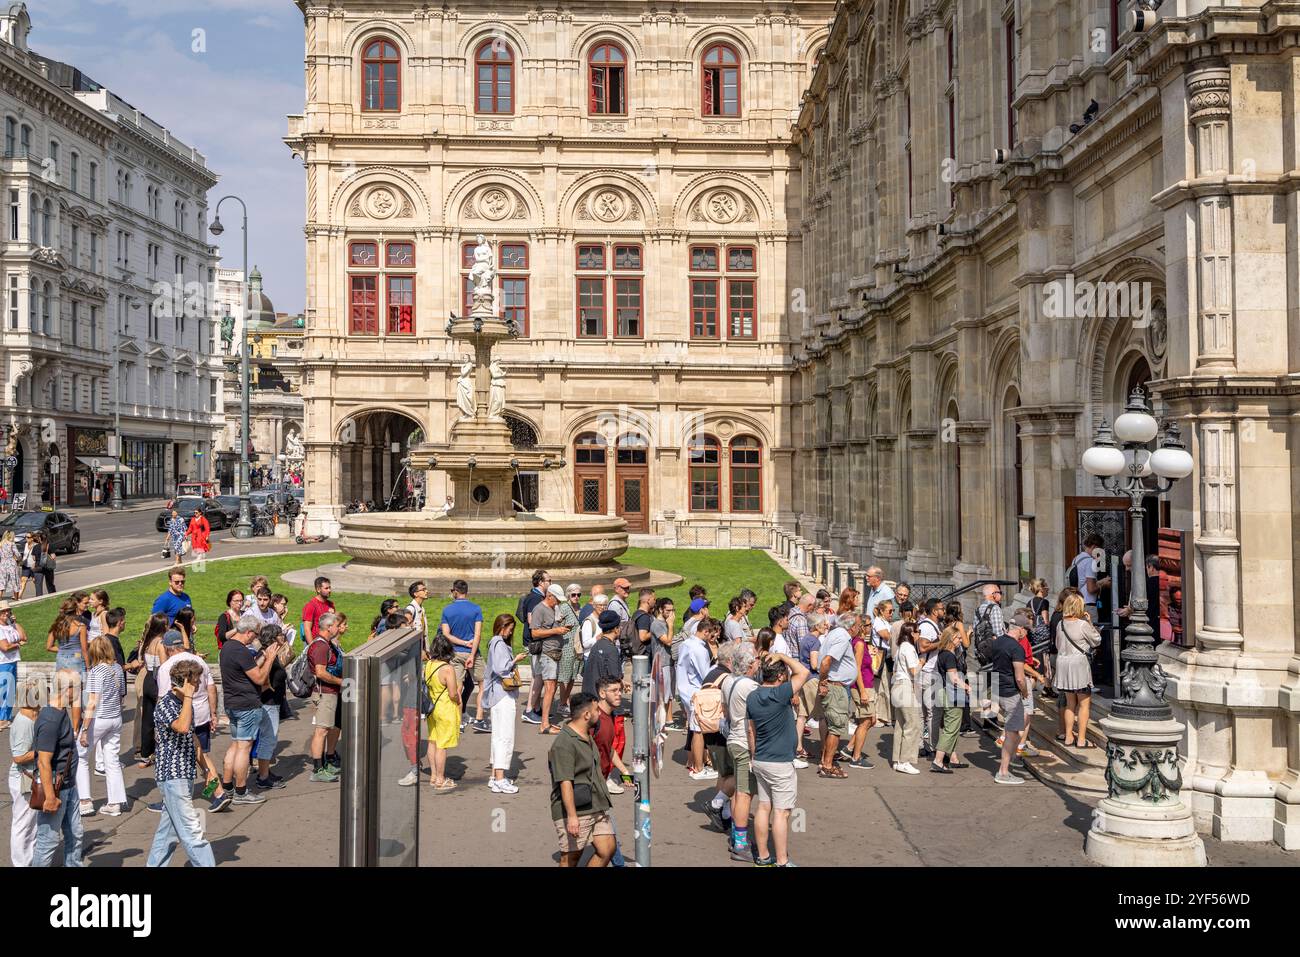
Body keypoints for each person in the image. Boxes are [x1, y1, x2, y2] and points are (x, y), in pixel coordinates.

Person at [146, 659, 216, 867]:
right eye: (197, 681)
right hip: (172, 776)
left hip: (184, 774)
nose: (200, 684)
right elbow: (183, 727)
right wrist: (188, 696)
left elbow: (192, 738)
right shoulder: (166, 704)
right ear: (186, 683)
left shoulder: (186, 703)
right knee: (192, 831)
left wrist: (206, 768)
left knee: (167, 834)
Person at [746, 651, 810, 867]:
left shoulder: (753, 696)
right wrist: (783, 656)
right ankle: (782, 861)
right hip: (780, 762)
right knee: (781, 813)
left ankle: (763, 856)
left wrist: (754, 756)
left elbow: (751, 730)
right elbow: (804, 672)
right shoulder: (781, 693)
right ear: (781, 676)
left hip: (761, 759)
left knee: (764, 807)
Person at [156, 628, 229, 811]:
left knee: (174, 760)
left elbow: (165, 697)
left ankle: (169, 801)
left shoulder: (167, 668)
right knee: (203, 758)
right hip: (201, 715)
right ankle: (218, 792)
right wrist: (214, 713)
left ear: (166, 647)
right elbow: (211, 688)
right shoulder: (198, 661)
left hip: (180, 718)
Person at [549, 692, 615, 867]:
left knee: (607, 848)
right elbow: (565, 782)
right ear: (586, 715)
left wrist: (625, 774)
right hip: (576, 809)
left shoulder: (586, 735)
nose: (599, 713)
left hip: (596, 804)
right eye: (596, 710)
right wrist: (572, 817)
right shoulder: (564, 743)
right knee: (571, 859)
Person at [219, 617, 277, 803]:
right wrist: (270, 659)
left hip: (232, 703)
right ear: (249, 632)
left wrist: (260, 658)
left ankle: (227, 786)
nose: (256, 638)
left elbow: (246, 668)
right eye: (256, 634)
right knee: (244, 747)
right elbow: (259, 678)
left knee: (235, 745)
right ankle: (241, 791)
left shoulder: (227, 647)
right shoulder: (240, 650)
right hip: (247, 705)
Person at [32, 678, 83, 867]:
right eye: (78, 687)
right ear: (67, 690)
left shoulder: (61, 712)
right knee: (48, 841)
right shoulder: (50, 720)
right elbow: (44, 762)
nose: (81, 692)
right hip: (55, 788)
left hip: (68, 785)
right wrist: (50, 797)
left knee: (75, 833)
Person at [74, 637, 127, 817]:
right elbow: (121, 695)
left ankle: (85, 801)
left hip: (100, 718)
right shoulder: (118, 668)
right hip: (115, 718)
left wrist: (85, 729)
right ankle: (115, 802)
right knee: (111, 761)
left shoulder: (97, 672)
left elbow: (92, 703)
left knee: (81, 755)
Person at [722, 640, 761, 861]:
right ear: (748, 664)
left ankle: (739, 837)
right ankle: (740, 842)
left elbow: (726, 711)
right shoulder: (750, 687)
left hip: (733, 740)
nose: (758, 662)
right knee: (745, 794)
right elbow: (752, 726)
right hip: (745, 744)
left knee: (739, 791)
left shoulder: (728, 681)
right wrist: (756, 755)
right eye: (755, 659)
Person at [482, 614, 529, 793]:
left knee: (498, 737)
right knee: (505, 737)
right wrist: (515, 660)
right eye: (510, 628)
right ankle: (500, 779)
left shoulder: (495, 642)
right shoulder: (499, 643)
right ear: (503, 626)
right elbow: (501, 668)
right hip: (503, 695)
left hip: (497, 695)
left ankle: (495, 776)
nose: (511, 632)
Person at [591, 675, 631, 866]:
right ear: (601, 693)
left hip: (597, 787)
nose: (619, 694)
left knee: (605, 843)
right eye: (614, 691)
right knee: (608, 841)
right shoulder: (593, 718)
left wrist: (625, 772)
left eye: (620, 690)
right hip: (590, 788)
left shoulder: (610, 717)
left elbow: (609, 748)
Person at [815, 610, 858, 779]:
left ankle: (826, 761)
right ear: (852, 627)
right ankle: (827, 765)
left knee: (832, 725)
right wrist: (824, 681)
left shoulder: (835, 634)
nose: (859, 629)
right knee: (836, 727)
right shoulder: (842, 636)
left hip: (834, 686)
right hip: (836, 688)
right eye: (858, 626)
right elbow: (826, 661)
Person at [1055, 593, 1102, 748]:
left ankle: (1068, 736)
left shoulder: (1060, 624)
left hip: (1063, 665)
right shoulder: (1082, 625)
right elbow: (1096, 640)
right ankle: (1081, 739)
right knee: (1083, 703)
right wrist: (1089, 622)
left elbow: (1057, 645)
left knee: (1070, 703)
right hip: (1078, 666)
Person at [991, 611, 1032, 785]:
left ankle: (1006, 766)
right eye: (1027, 630)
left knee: (1012, 730)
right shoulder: (1017, 648)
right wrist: (1024, 691)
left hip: (997, 688)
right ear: (1021, 629)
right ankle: (1003, 771)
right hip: (1010, 692)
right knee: (1013, 733)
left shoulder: (998, 641)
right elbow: (1020, 677)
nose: (1027, 634)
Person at [675, 610, 716, 780]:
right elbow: (706, 673)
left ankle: (693, 762)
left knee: (694, 729)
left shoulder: (687, 644)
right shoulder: (699, 649)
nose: (711, 638)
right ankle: (698, 768)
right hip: (696, 691)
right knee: (698, 730)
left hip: (686, 690)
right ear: (705, 631)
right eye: (711, 635)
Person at [440, 579, 485, 729]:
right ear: (466, 591)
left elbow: (446, 634)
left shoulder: (447, 610)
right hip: (473, 652)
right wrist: (472, 654)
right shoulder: (476, 609)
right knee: (482, 684)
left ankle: (458, 721)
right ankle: (479, 717)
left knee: (457, 687)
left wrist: (462, 643)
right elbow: (477, 634)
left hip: (455, 653)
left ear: (455, 591)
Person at [306, 612, 345, 781]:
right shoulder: (321, 646)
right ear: (329, 627)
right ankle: (317, 770)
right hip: (325, 694)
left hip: (330, 693)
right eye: (336, 625)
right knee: (321, 731)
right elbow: (321, 673)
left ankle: (325, 763)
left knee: (327, 728)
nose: (338, 628)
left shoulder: (325, 644)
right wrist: (340, 681)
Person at [8, 675, 42, 866]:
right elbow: (19, 757)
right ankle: (21, 862)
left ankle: (30, 859)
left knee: (32, 823)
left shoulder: (33, 716)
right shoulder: (23, 722)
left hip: (30, 776)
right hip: (23, 778)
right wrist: (43, 750)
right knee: (23, 823)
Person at [529, 583, 569, 734]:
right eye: (556, 599)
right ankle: (544, 724)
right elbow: (534, 633)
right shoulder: (539, 609)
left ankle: (546, 722)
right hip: (547, 652)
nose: (558, 602)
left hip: (554, 651)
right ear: (549, 596)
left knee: (552, 687)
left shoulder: (554, 608)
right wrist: (556, 630)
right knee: (550, 687)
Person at [253, 624, 289, 790]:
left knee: (269, 738)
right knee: (269, 739)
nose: (284, 636)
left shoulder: (271, 653)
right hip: (268, 703)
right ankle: (263, 777)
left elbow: (290, 655)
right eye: (281, 634)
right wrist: (268, 686)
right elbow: (258, 676)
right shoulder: (265, 655)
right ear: (274, 638)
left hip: (272, 702)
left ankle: (265, 771)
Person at [46, 594, 90, 730]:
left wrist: (62, 650)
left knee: (60, 695)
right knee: (76, 698)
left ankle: (58, 726)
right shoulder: (80, 626)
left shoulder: (56, 625)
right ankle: (76, 729)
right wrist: (88, 667)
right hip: (76, 661)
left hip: (61, 660)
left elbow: (48, 646)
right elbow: (84, 649)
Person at [931, 626, 971, 773]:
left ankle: (953, 758)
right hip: (952, 695)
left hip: (945, 693)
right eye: (958, 638)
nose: (961, 640)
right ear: (951, 639)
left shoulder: (942, 653)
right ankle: (938, 760)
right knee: (951, 728)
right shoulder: (949, 656)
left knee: (951, 727)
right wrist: (967, 687)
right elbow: (954, 678)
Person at [131, 612, 169, 768]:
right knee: (162, 719)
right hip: (157, 682)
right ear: (163, 626)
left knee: (147, 719)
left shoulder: (148, 641)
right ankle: (163, 752)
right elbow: (164, 666)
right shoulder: (160, 643)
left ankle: (145, 755)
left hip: (147, 679)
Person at [424, 633, 461, 791]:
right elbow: (453, 693)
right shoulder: (447, 669)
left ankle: (433, 776)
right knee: (442, 745)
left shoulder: (429, 665)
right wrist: (459, 698)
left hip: (432, 708)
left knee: (432, 741)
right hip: (445, 709)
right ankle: (440, 779)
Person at [517, 569, 551, 719]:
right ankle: (530, 710)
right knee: (538, 676)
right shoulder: (535, 599)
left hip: (535, 641)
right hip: (534, 643)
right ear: (541, 582)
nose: (550, 583)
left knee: (537, 675)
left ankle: (536, 707)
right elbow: (532, 620)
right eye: (549, 580)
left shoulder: (537, 597)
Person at [890, 621, 922, 774]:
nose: (919, 634)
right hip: (904, 686)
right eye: (918, 631)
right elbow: (914, 671)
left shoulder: (900, 648)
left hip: (897, 685)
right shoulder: (908, 648)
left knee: (901, 725)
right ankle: (905, 760)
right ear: (911, 633)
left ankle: (897, 759)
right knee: (913, 724)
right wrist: (922, 661)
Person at [845, 612, 876, 769]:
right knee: (866, 721)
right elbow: (856, 668)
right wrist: (862, 691)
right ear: (863, 627)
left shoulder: (862, 643)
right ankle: (855, 758)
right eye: (869, 624)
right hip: (861, 686)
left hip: (867, 684)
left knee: (871, 720)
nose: (871, 627)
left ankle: (849, 748)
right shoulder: (859, 644)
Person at [916, 597, 944, 758]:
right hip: (928, 672)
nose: (943, 611)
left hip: (926, 672)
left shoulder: (932, 625)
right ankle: (931, 746)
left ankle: (923, 745)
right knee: (932, 712)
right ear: (934, 611)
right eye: (941, 608)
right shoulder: (927, 627)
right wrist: (941, 642)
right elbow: (923, 646)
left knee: (925, 712)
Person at [555, 583, 585, 719]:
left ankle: (565, 701)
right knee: (564, 677)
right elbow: (556, 624)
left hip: (577, 646)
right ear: (568, 595)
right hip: (566, 645)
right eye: (573, 595)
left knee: (573, 675)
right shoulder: (564, 607)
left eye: (579, 594)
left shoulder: (580, 608)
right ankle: (562, 703)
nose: (576, 597)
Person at [581, 608, 623, 699]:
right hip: (601, 700)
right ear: (616, 629)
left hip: (590, 697)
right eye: (619, 626)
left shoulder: (596, 645)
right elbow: (614, 678)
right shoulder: (611, 649)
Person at [0, 600, 28, 730]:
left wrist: (15, 623)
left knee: (10, 691)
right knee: (4, 691)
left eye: (7, 611)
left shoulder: (10, 626)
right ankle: (2, 719)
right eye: (3, 611)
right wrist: (17, 645)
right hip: (3, 663)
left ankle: (6, 717)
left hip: (12, 661)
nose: (6, 613)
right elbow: (5, 647)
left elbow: (24, 637)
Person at [1069, 534, 1111, 619]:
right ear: (1094, 547)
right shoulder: (1090, 562)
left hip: (1077, 603)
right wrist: (1104, 585)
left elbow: (1083, 582)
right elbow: (1091, 589)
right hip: (1088, 605)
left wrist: (1102, 581)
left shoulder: (1076, 559)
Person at [650, 596, 676, 725]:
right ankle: (660, 721)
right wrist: (671, 625)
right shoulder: (656, 624)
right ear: (661, 610)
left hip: (669, 662)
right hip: (662, 663)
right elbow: (668, 641)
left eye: (673, 610)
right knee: (663, 695)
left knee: (670, 693)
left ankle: (669, 720)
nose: (671, 614)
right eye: (668, 611)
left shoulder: (666, 623)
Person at [869, 598, 894, 726]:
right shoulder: (878, 622)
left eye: (893, 610)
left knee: (886, 687)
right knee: (880, 688)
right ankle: (879, 716)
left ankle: (884, 716)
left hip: (887, 657)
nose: (892, 613)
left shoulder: (886, 622)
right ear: (882, 611)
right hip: (880, 656)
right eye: (890, 611)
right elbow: (888, 637)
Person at [301, 576, 335, 640]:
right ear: (318, 589)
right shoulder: (311, 606)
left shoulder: (331, 604)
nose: (329, 590)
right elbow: (307, 629)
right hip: (316, 642)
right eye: (326, 588)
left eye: (330, 587)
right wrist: (312, 647)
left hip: (328, 642)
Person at [17, 531, 40, 599]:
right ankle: (19, 596)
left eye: (28, 537)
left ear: (32, 538)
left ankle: (38, 596)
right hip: (26, 566)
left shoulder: (36, 545)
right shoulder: (25, 545)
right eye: (25, 537)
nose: (26, 538)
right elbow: (24, 555)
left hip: (33, 566)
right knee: (23, 580)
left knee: (35, 581)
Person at [0, 530, 20, 599]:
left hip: (2, 563)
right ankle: (16, 598)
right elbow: (17, 554)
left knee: (2, 581)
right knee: (14, 579)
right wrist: (19, 559)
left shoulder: (1, 544)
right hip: (11, 563)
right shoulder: (12, 544)